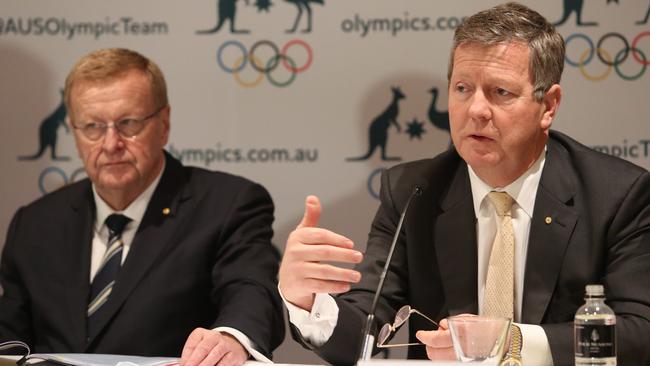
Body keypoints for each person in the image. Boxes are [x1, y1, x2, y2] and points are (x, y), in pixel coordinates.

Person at [279, 2, 650, 366]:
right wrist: (306, 300)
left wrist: (511, 340)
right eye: (462, 88)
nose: (475, 110)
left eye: (500, 92)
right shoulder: (414, 191)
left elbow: (639, 332)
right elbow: (364, 333)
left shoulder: (617, 195)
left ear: (548, 106)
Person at [0, 48, 284, 366]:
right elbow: (10, 339)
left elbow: (251, 290)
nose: (111, 144)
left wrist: (232, 337)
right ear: (75, 133)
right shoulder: (35, 224)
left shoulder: (229, 204)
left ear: (164, 124)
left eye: (128, 123)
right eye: (93, 127)